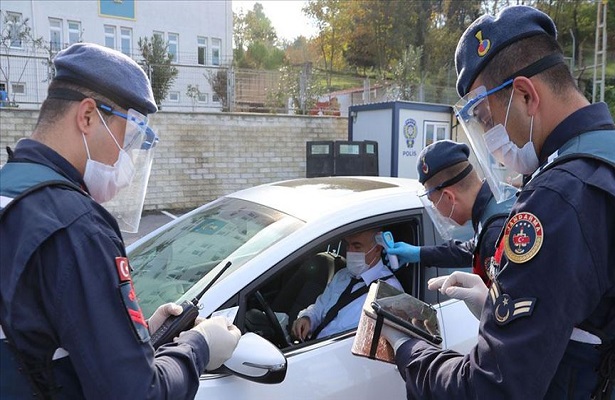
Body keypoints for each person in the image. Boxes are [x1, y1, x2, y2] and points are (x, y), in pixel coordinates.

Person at [382, 5, 615, 399]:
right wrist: (497, 304)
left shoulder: (558, 199)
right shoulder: (601, 158)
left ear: (525, 95)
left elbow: (489, 389)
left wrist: (408, 348)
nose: (489, 137)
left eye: (486, 119)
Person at [0, 43, 241, 399]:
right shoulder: (77, 227)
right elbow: (137, 393)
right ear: (86, 117)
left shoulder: (11, 190)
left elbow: (37, 333)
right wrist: (199, 346)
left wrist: (133, 334)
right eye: (127, 139)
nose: (125, 158)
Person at [387, 140, 514, 291]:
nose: (435, 208)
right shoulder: (497, 199)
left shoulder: (495, 231)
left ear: (448, 197)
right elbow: (471, 249)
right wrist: (419, 253)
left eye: (433, 201)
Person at [291, 228, 403, 341]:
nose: (350, 251)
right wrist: (307, 318)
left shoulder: (389, 292)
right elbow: (320, 307)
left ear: (377, 249)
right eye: (347, 245)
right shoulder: (342, 275)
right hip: (312, 346)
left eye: (357, 246)